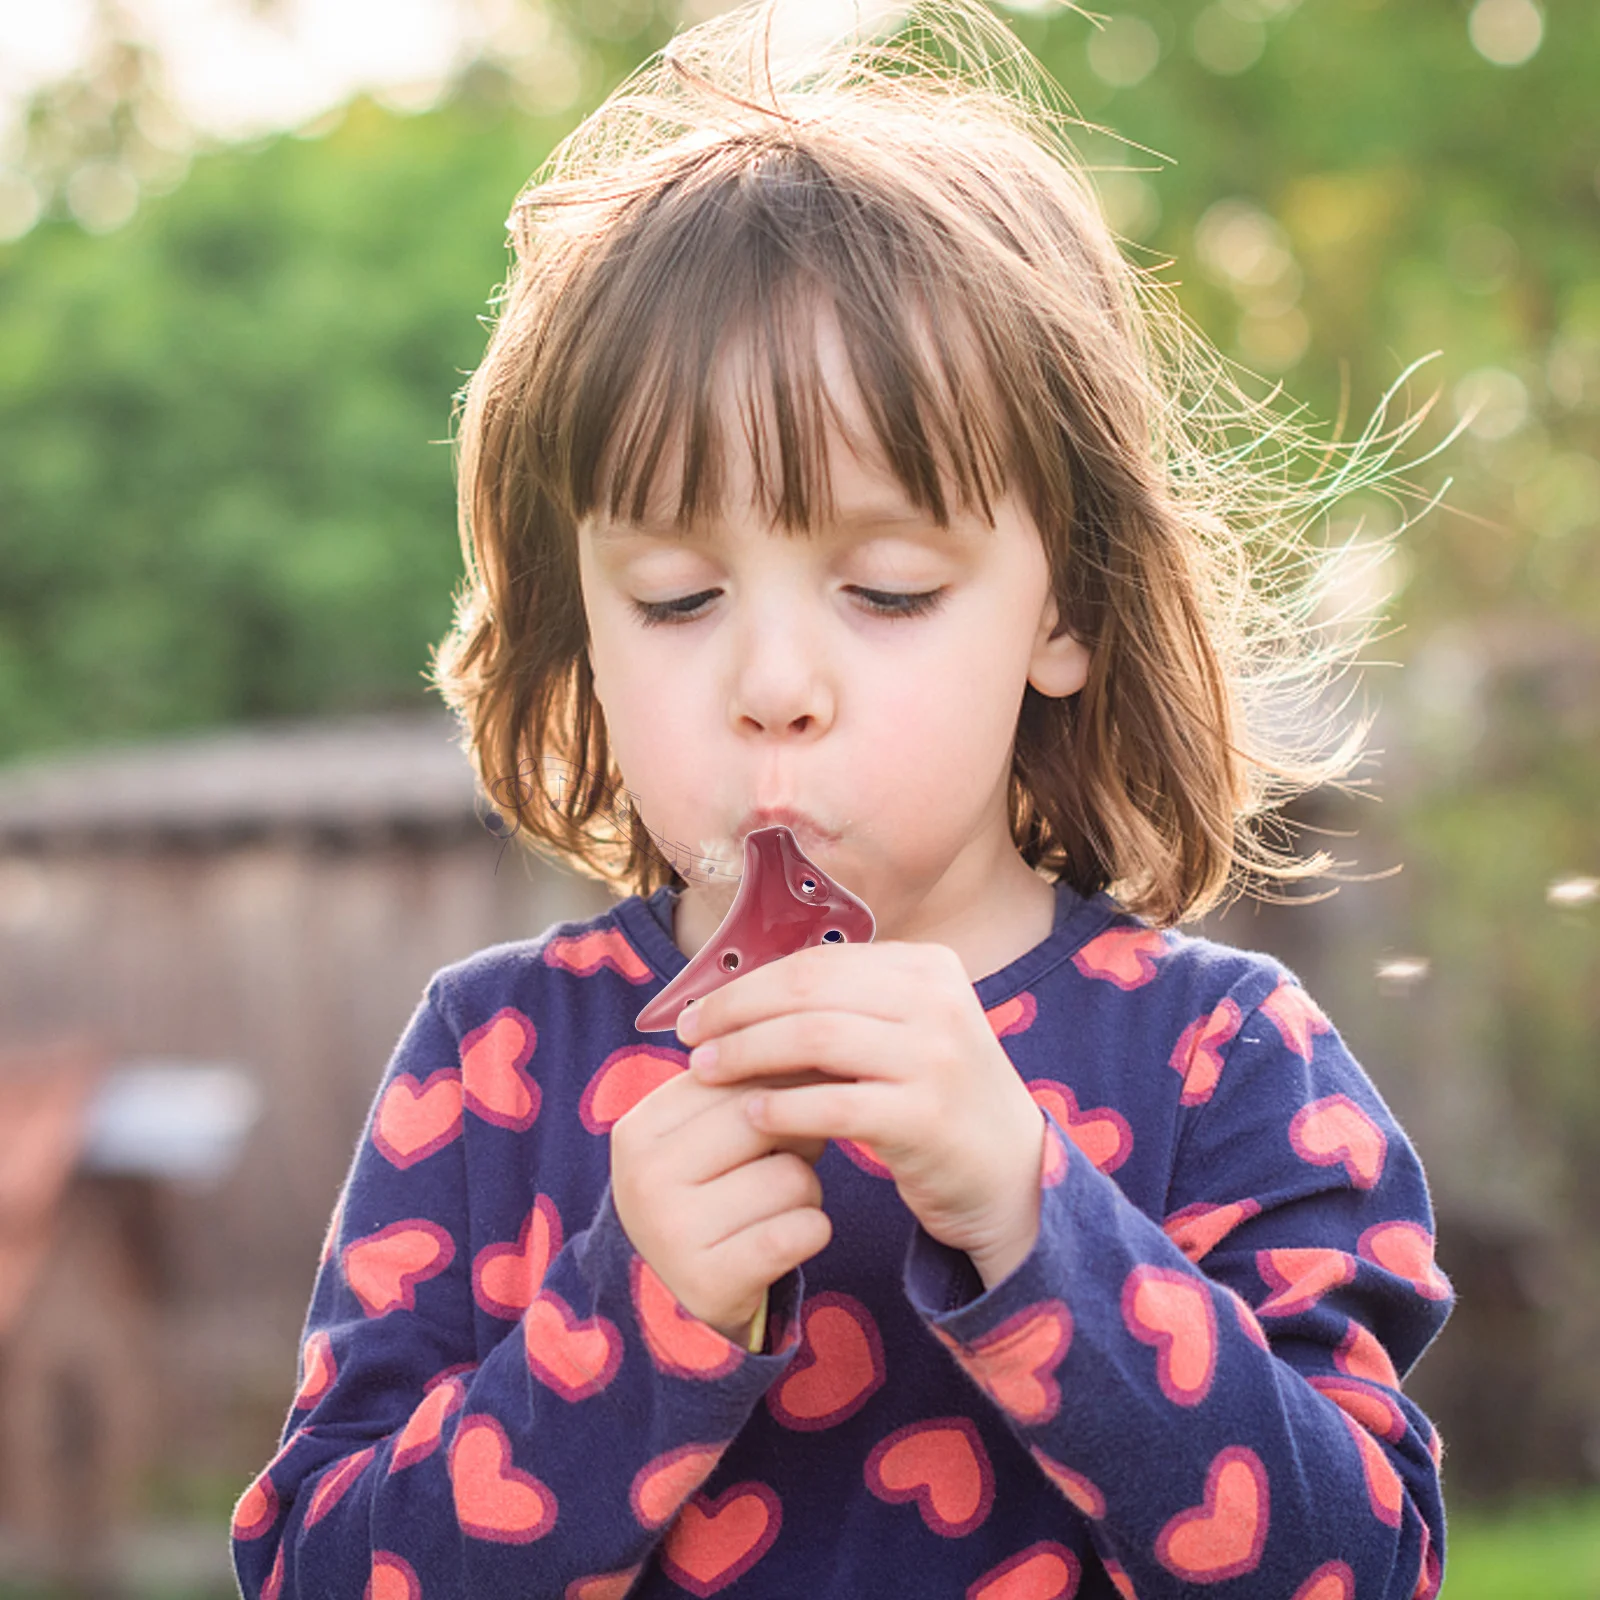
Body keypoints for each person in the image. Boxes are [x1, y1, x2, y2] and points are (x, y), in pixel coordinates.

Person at [230, 1, 1453, 1595]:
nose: (774, 681)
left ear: (1065, 610)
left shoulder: (1220, 1059)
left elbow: (1362, 1565)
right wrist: (628, 1324)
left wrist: (1039, 1222)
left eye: (886, 589)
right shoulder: (499, 1064)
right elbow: (317, 1574)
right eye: (676, 597)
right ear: (580, 626)